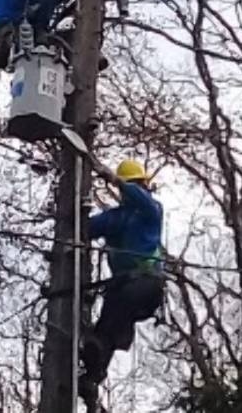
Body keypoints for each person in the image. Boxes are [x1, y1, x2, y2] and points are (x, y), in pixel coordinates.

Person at [79, 157, 165, 400]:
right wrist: (74, 213)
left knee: (116, 309)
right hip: (123, 288)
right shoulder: (115, 218)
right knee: (105, 331)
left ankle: (96, 358)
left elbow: (142, 200)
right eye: (135, 185)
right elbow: (85, 227)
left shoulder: (152, 211)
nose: (139, 190)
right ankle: (92, 377)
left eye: (140, 186)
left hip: (146, 285)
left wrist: (115, 179)